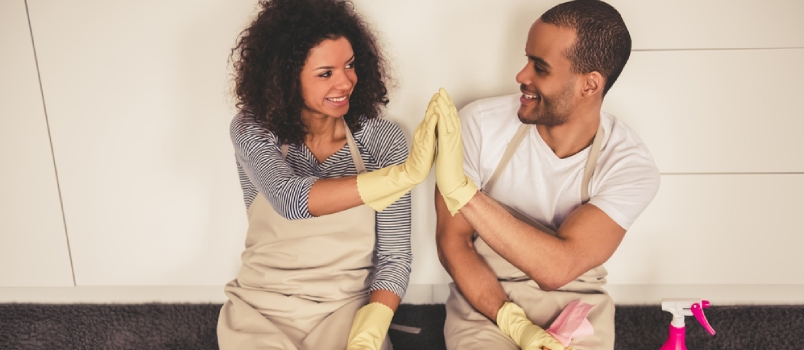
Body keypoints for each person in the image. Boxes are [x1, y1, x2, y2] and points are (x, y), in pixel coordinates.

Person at [432, 1, 661, 349]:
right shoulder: (478, 124)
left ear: (589, 85)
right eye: (527, 60)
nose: (522, 76)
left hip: (575, 305)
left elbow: (558, 269)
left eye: (540, 68)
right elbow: (454, 243)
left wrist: (463, 193)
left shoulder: (628, 166)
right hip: (483, 299)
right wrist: (510, 320)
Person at [217, 0, 439, 349]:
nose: (346, 82)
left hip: (346, 311)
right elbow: (290, 199)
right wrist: (403, 176)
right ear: (286, 78)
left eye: (350, 65)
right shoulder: (253, 129)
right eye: (326, 73)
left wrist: (372, 328)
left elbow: (394, 258)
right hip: (261, 311)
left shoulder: (382, 141)